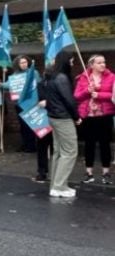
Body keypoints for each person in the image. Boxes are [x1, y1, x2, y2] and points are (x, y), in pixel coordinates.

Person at [40, 51, 81, 197]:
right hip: (63, 118)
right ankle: (59, 187)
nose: (72, 63)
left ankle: (56, 184)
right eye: (71, 60)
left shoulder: (50, 77)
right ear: (65, 61)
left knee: (58, 151)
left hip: (53, 117)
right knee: (70, 151)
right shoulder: (62, 78)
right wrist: (77, 116)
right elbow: (68, 100)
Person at [74, 54, 114, 184]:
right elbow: (77, 96)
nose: (103, 64)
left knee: (105, 144)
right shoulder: (83, 77)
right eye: (99, 62)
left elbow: (113, 95)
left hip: (105, 115)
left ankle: (106, 172)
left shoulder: (112, 77)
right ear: (91, 65)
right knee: (89, 144)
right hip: (88, 116)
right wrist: (87, 91)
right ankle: (89, 172)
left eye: (104, 62)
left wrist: (99, 95)